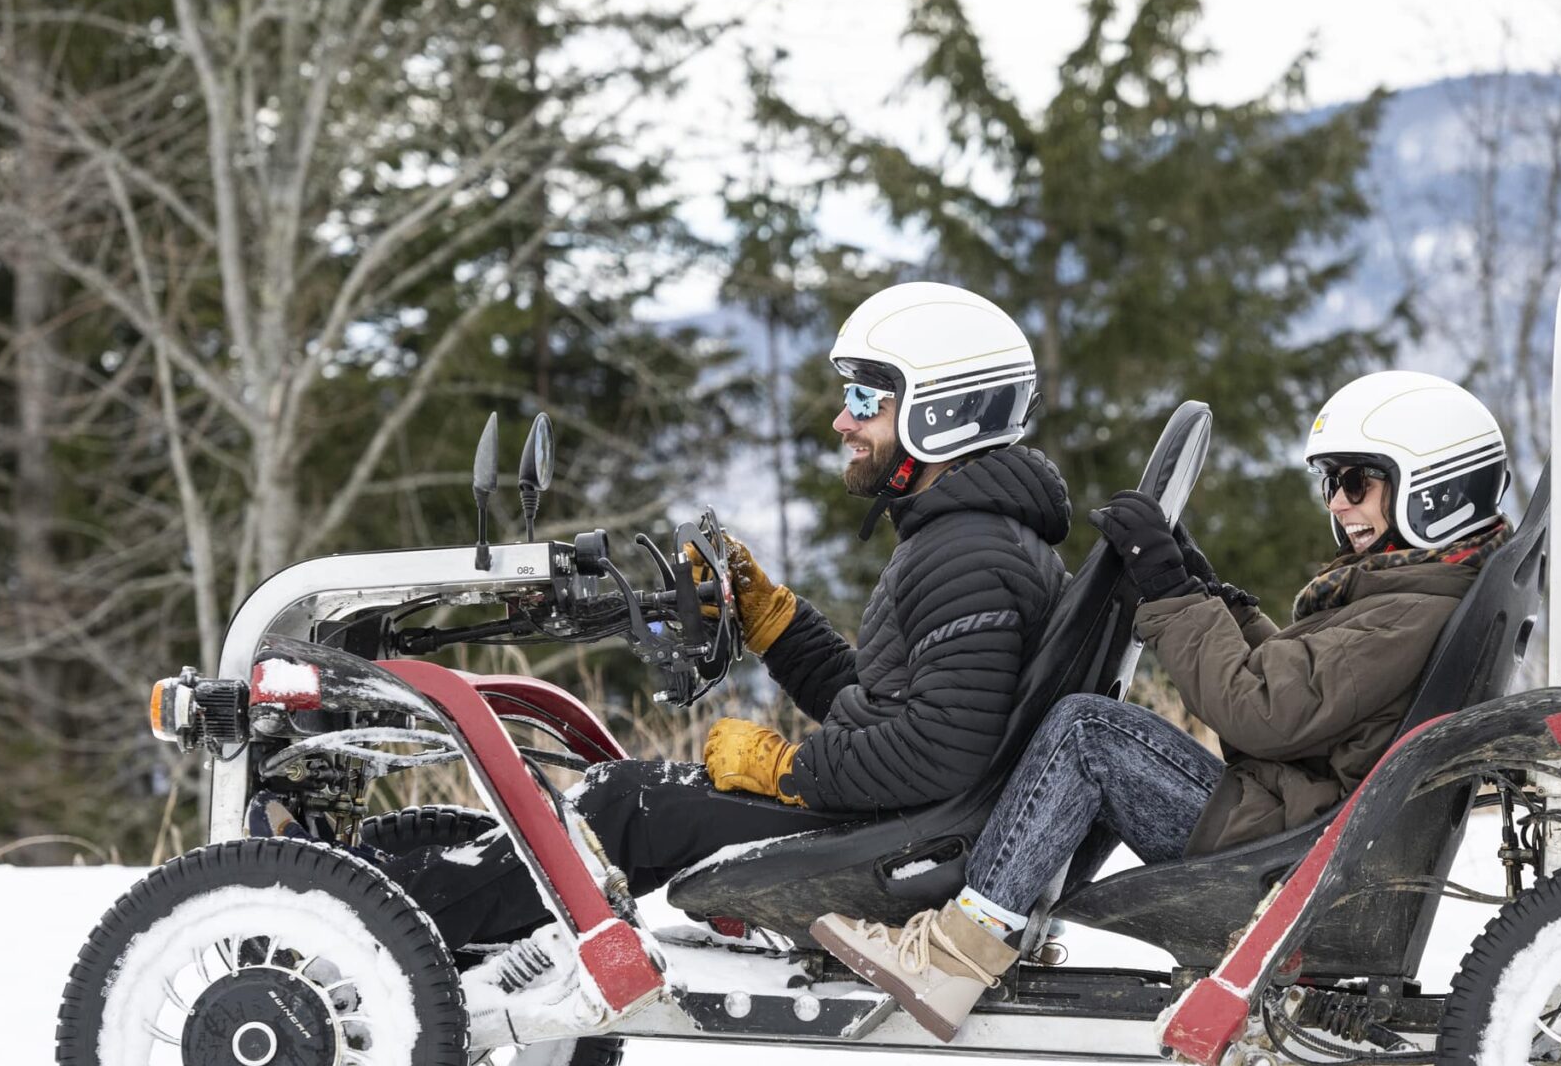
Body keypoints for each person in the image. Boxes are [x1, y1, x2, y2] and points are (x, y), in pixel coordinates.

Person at [808, 370, 1512, 1040]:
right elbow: (1299, 687)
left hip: (1288, 861)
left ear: (1435, 489)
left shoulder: (1409, 611)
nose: (1337, 502)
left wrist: (1174, 596)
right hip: (1297, 830)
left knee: (1087, 731)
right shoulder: (1414, 590)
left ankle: (957, 953)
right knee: (1094, 732)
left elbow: (1259, 713)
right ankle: (1007, 918)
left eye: (1357, 481)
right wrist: (1210, 592)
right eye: (1333, 482)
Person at [384, 280, 1073, 948]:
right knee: (623, 801)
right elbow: (887, 707)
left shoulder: (969, 553)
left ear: (943, 410)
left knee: (624, 807)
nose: (843, 421)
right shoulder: (970, 537)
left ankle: (374, 925)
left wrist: (785, 769)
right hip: (909, 824)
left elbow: (936, 752)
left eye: (866, 399)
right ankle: (411, 907)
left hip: (905, 842)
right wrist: (773, 621)